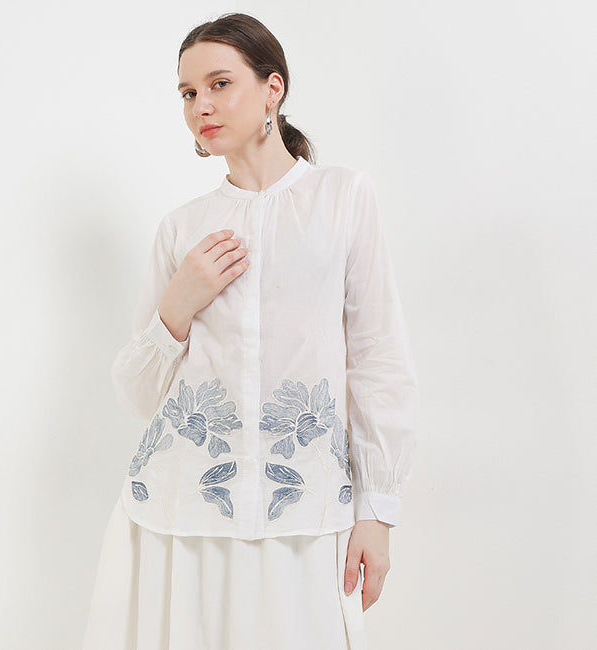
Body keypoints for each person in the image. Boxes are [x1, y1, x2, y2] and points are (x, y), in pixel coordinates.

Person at [82, 12, 419, 650]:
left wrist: (378, 512)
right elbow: (137, 394)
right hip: (181, 517)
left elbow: (379, 359)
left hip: (306, 514)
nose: (201, 106)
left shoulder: (343, 199)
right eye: (188, 93)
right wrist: (177, 305)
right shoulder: (182, 229)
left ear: (273, 88)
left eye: (219, 84)